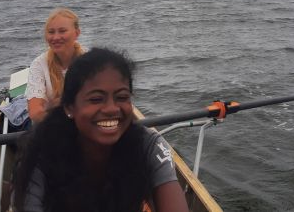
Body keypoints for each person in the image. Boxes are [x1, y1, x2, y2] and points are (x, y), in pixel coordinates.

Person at [12, 47, 189, 212]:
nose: (112, 109)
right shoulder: (40, 150)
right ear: (69, 107)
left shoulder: (148, 145)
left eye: (122, 97)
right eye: (96, 99)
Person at [26, 8, 86, 123]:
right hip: (51, 126)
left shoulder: (91, 61)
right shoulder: (39, 65)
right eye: (51, 32)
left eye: (62, 31)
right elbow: (35, 113)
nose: (56, 37)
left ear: (77, 33)